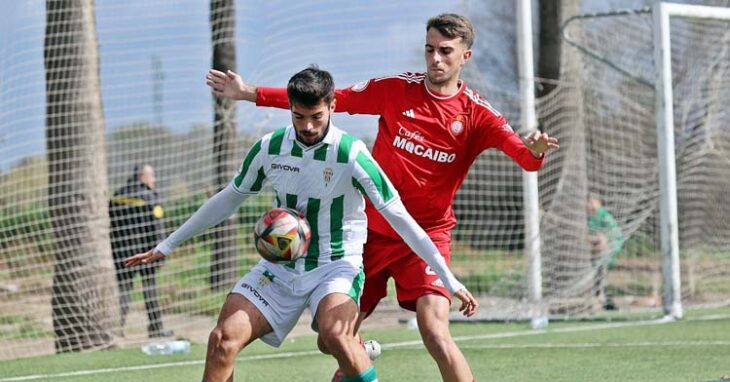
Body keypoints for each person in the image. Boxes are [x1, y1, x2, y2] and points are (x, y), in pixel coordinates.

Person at [206, 13, 558, 381]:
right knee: (332, 339)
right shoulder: (395, 90)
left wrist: (533, 151)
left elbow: (524, 158)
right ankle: (361, 354)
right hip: (369, 235)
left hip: (426, 235)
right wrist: (249, 93)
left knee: (435, 333)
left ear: (464, 57)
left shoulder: (477, 114)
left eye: (445, 51)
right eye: (430, 49)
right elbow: (330, 100)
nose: (435, 58)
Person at [127, 66, 478, 382]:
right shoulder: (270, 148)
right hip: (280, 267)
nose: (307, 126)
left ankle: (356, 356)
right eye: (299, 116)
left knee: (335, 336)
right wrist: (167, 245)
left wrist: (448, 278)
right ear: (290, 110)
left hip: (336, 266)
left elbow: (400, 217)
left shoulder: (351, 153)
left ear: (332, 107)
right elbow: (229, 197)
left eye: (316, 116)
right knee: (222, 340)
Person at [109, 164, 173, 338]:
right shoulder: (151, 198)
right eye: (152, 176)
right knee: (149, 290)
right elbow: (157, 228)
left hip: (121, 252)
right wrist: (161, 256)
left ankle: (117, 329)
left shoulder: (117, 196)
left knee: (123, 291)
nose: (154, 179)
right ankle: (156, 328)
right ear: (141, 176)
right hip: (146, 254)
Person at [586, 194, 623, 310]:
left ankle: (603, 299)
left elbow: (614, 234)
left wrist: (604, 240)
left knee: (601, 273)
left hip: (608, 249)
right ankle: (603, 299)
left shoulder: (604, 216)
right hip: (595, 251)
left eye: (592, 202)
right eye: (588, 202)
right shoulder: (589, 217)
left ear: (599, 203)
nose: (589, 205)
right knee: (597, 274)